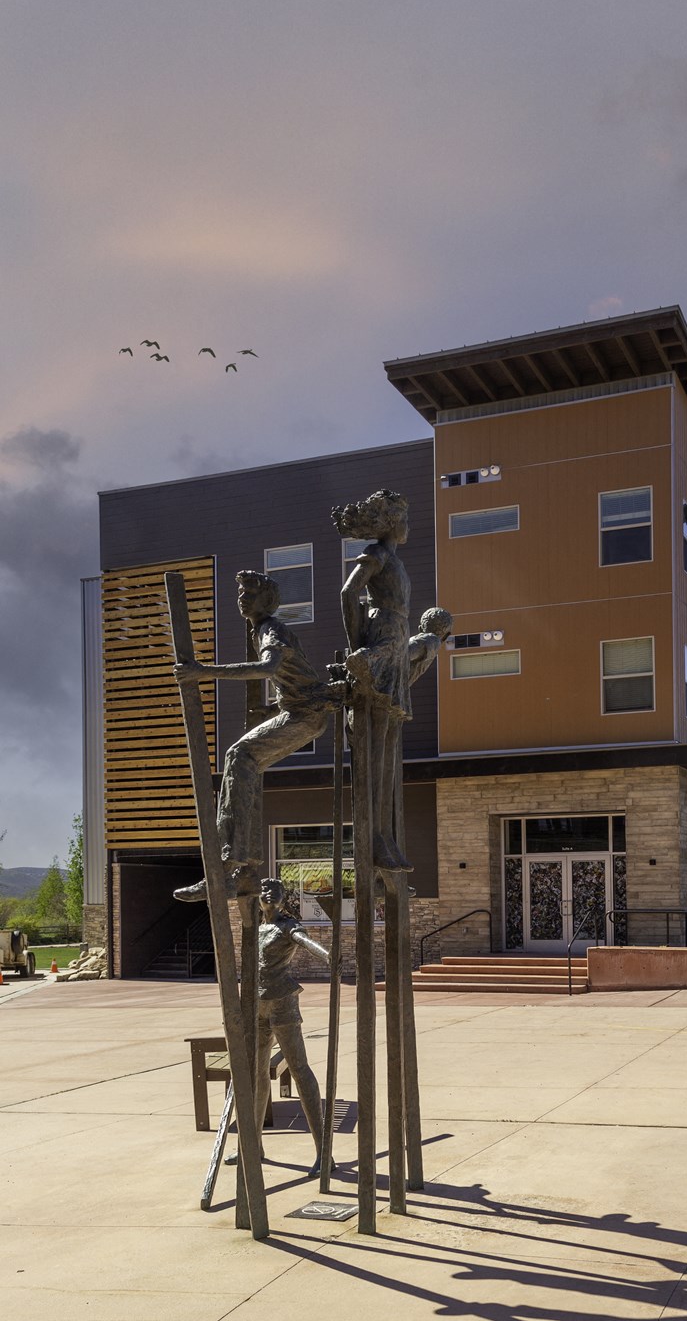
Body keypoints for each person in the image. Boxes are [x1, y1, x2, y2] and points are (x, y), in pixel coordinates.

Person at [173, 570, 338, 902]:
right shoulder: (262, 629)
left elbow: (267, 668)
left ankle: (226, 865)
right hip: (298, 711)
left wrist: (202, 672)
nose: (242, 599)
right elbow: (287, 679)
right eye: (241, 594)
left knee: (239, 756)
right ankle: (241, 871)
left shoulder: (271, 630)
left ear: (268, 602)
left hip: (304, 714)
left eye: (250, 594)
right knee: (246, 768)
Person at [331, 489, 415, 871]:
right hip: (383, 640)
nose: (408, 526)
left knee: (388, 746)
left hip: (396, 642)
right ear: (393, 523)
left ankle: (385, 834)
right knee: (376, 747)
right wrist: (358, 642)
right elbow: (349, 592)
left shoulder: (392, 559)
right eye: (404, 519)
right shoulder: (378, 555)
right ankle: (375, 836)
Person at [225, 878, 333, 1175]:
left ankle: (324, 1152)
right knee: (256, 1074)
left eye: (277, 891)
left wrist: (327, 955)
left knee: (299, 1069)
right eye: (265, 891)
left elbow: (305, 941)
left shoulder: (288, 926)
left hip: (282, 1002)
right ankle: (252, 1145)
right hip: (256, 1005)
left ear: (284, 900)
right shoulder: (255, 929)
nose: (270, 894)